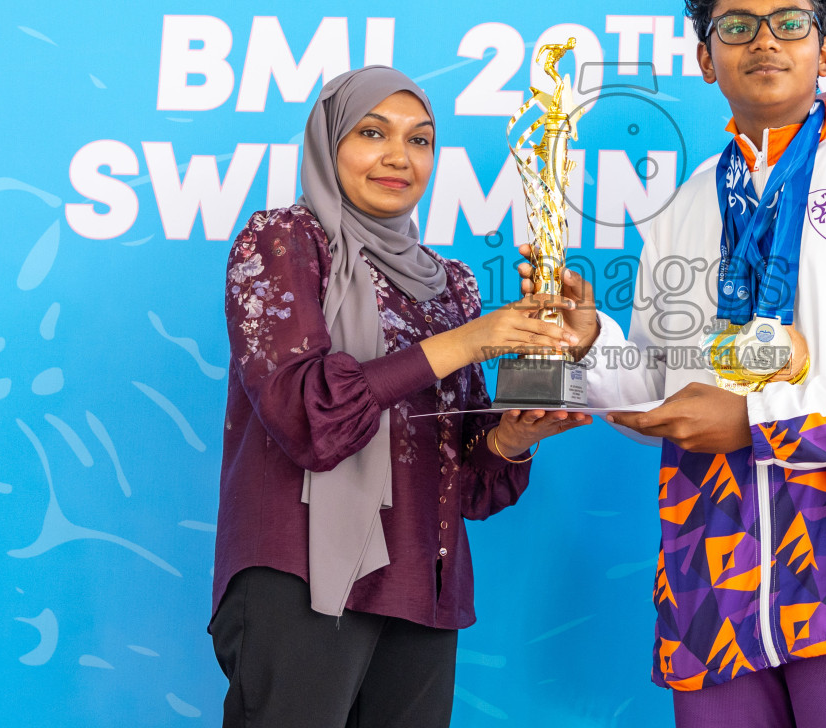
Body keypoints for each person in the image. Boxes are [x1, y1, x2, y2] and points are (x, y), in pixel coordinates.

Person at [530, 0, 826, 727]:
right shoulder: (685, 205)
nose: (764, 41)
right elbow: (665, 385)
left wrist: (755, 421)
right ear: (706, 60)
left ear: (825, 51)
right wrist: (588, 343)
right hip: (716, 572)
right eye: (736, 27)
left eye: (789, 24)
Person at [210, 65, 590, 728]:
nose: (398, 156)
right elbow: (308, 415)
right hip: (301, 577)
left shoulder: (451, 286)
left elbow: (465, 483)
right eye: (372, 132)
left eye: (420, 140)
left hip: (421, 584)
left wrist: (512, 437)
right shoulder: (283, 241)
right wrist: (470, 342)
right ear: (329, 146)